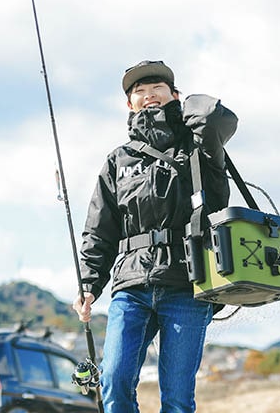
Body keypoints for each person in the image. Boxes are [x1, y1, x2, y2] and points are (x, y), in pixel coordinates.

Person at [72, 60, 237, 412]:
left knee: (177, 398)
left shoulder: (200, 148)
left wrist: (180, 109)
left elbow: (216, 117)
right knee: (114, 382)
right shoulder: (118, 161)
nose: (148, 96)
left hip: (188, 284)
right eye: (139, 92)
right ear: (128, 105)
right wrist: (89, 284)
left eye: (156, 90)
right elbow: (100, 230)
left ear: (174, 94)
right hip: (130, 286)